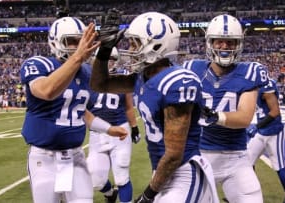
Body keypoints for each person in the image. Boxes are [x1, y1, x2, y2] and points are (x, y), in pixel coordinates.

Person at [90, 10, 219, 203]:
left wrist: (147, 195)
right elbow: (99, 84)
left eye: (136, 43)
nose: (131, 49)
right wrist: (104, 51)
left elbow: (175, 155)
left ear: (157, 45)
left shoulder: (176, 82)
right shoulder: (143, 78)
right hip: (162, 174)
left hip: (184, 173)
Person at [20, 16, 127, 203]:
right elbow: (46, 91)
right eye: (72, 41)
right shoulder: (39, 64)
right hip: (44, 158)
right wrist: (78, 57)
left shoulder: (86, 71)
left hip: (75, 156)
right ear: (55, 41)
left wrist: (109, 129)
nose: (78, 46)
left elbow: (80, 111)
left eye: (80, 41)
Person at [183, 14, 268, 203]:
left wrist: (215, 116)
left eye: (230, 42)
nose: (224, 46)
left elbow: (244, 117)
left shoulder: (249, 72)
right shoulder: (192, 68)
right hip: (199, 156)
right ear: (209, 42)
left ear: (239, 44)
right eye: (219, 41)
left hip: (235, 159)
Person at [86, 47, 141, 203]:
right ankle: (110, 193)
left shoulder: (123, 78)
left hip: (120, 131)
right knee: (96, 178)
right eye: (104, 59)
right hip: (97, 133)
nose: (107, 63)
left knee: (122, 176)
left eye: (111, 59)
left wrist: (135, 127)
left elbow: (129, 107)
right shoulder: (88, 78)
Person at [246, 78, 285, 203]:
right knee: (246, 161)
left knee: (279, 165)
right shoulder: (253, 87)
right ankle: (250, 192)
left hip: (274, 131)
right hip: (262, 131)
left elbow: (275, 112)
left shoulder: (266, 87)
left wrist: (256, 126)